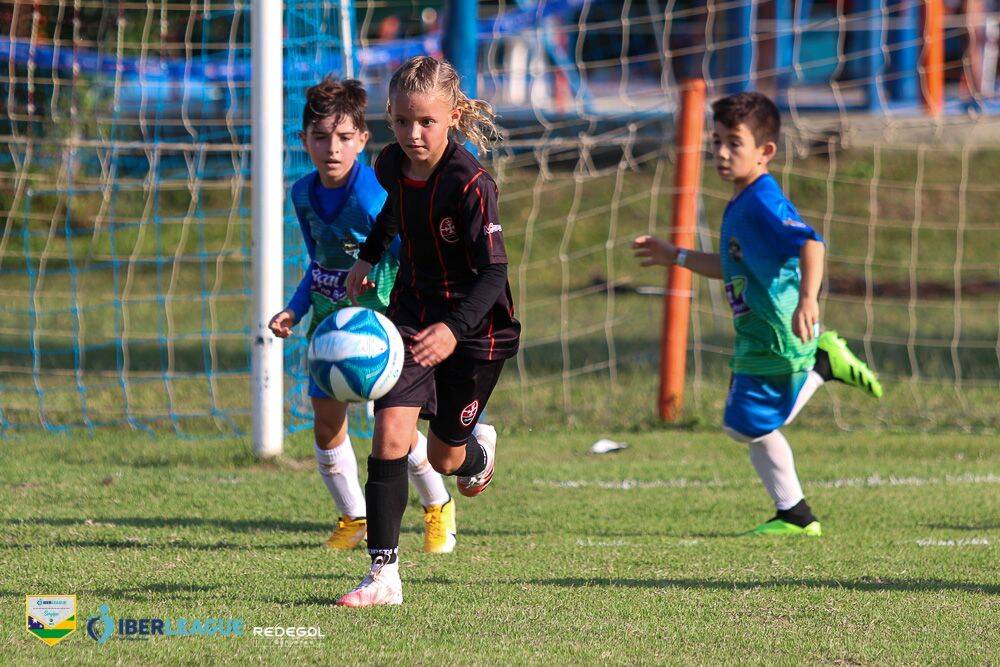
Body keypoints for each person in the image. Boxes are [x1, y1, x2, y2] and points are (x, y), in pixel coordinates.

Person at [633, 91, 883, 537]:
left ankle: (823, 365)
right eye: (716, 142)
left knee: (744, 424)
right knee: (750, 426)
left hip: (782, 333)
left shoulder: (764, 199)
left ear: (765, 152)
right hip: (756, 333)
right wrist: (677, 255)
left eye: (734, 143)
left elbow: (811, 242)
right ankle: (795, 515)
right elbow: (729, 265)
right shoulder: (743, 202)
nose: (722, 153)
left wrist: (809, 298)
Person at [338, 56, 520, 607]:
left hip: (476, 330)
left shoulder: (470, 184)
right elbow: (395, 210)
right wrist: (368, 256)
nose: (413, 135)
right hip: (413, 313)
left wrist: (454, 329)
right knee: (390, 430)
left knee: (444, 458)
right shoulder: (391, 164)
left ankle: (477, 455)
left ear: (454, 118)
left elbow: (494, 272)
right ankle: (383, 576)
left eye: (426, 123)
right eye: (400, 121)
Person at [267, 76, 457, 556]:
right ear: (303, 140)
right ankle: (355, 516)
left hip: (382, 319)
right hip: (331, 320)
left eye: (344, 137)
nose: (332, 148)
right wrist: (294, 308)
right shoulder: (303, 193)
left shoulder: (373, 194)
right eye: (320, 136)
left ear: (363, 140)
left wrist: (385, 278)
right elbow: (319, 264)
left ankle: (437, 504)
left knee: (395, 427)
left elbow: (405, 247)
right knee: (326, 423)